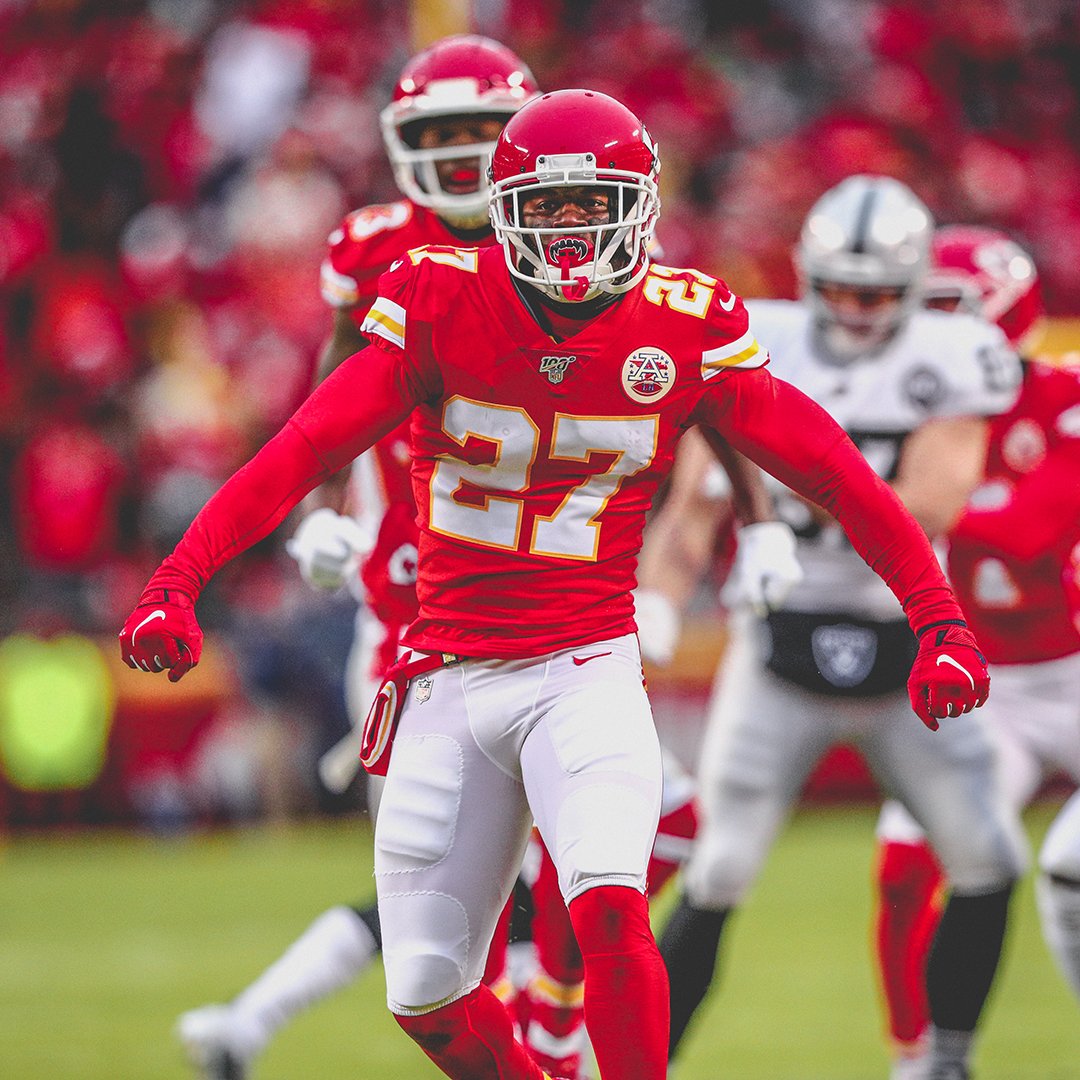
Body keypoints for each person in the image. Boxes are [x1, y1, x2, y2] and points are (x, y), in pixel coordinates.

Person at [122, 93, 993, 1080]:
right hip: (446, 673)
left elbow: (838, 475)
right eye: (548, 205)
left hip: (584, 666)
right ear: (506, 212)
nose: (571, 226)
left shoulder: (682, 322)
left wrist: (940, 621)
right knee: (428, 996)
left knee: (609, 907)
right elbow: (302, 448)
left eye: (593, 203)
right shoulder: (441, 297)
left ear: (640, 207)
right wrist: (177, 579)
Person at [175, 34, 540, 1080]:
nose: (463, 152)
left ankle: (251, 1024)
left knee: (606, 857)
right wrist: (325, 504)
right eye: (442, 133)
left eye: (483, 130)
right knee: (442, 900)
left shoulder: (571, 239)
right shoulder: (373, 248)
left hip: (553, 611)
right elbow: (333, 407)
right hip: (413, 619)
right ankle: (252, 1027)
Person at [654, 177, 1029, 1080]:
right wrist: (655, 607)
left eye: (879, 292)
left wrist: (787, 490)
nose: (858, 310)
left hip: (911, 651)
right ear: (808, 277)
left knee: (988, 858)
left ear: (915, 286)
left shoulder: (953, 354)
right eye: (841, 289)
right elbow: (692, 509)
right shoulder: (756, 338)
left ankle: (945, 1061)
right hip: (779, 648)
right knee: (718, 869)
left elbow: (929, 502)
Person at [871, 225, 1080, 1076]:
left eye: (947, 309)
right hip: (988, 683)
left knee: (1068, 872)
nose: (927, 331)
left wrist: (886, 499)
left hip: (1074, 668)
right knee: (905, 863)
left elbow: (1032, 530)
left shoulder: (1064, 395)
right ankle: (920, 1058)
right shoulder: (909, 407)